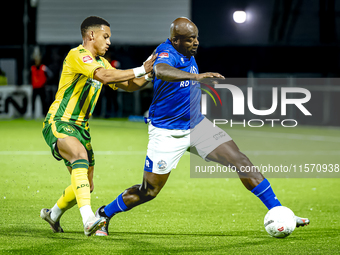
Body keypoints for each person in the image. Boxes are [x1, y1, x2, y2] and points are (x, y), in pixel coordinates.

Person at [94, 17, 310, 236]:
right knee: (149, 191)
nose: (195, 42)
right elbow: (160, 70)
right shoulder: (165, 52)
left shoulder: (188, 52)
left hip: (197, 127)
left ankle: (279, 211)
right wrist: (197, 77)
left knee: (241, 162)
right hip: (167, 133)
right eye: (189, 40)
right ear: (175, 40)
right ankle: (104, 214)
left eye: (196, 37)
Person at [40, 16, 157, 236]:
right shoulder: (77, 55)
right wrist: (141, 69)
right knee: (79, 155)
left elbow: (130, 84)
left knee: (87, 184)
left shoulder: (101, 62)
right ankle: (89, 221)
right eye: (106, 36)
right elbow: (103, 76)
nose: (109, 42)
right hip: (60, 121)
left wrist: (151, 73)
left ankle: (52, 214)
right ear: (91, 35)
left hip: (81, 128)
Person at [30, 47, 53, 117]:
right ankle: (33, 114)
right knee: (33, 102)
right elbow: (29, 77)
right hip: (35, 88)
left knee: (44, 102)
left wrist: (46, 82)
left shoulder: (43, 67)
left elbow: (50, 75)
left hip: (42, 88)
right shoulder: (32, 68)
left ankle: (44, 114)